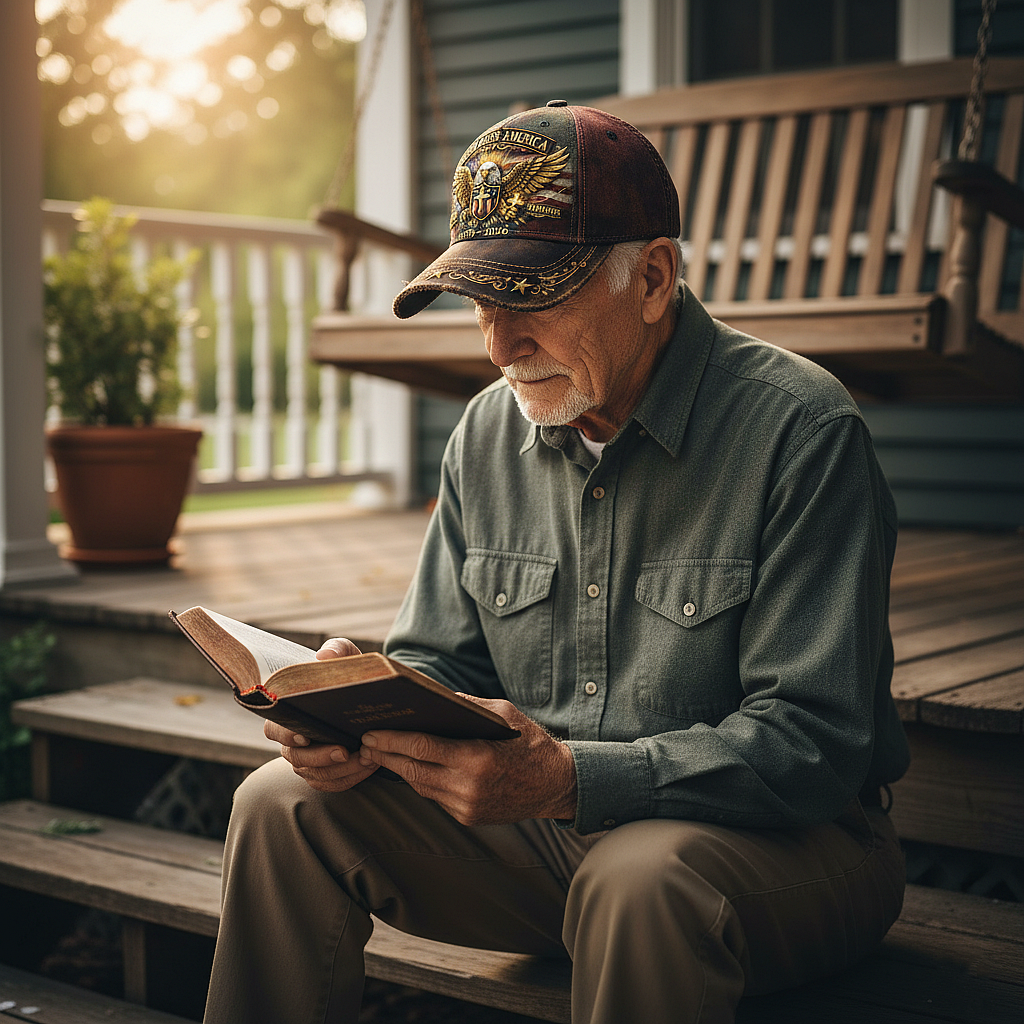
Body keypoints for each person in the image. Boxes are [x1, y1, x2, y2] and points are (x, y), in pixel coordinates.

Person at [203, 101, 910, 1024]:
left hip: (790, 851)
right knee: (278, 806)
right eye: (481, 305)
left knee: (641, 878)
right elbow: (445, 665)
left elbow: (814, 746)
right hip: (549, 838)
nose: (499, 348)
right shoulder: (488, 432)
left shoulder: (801, 430)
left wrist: (576, 778)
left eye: (533, 300)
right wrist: (359, 707)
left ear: (653, 279)